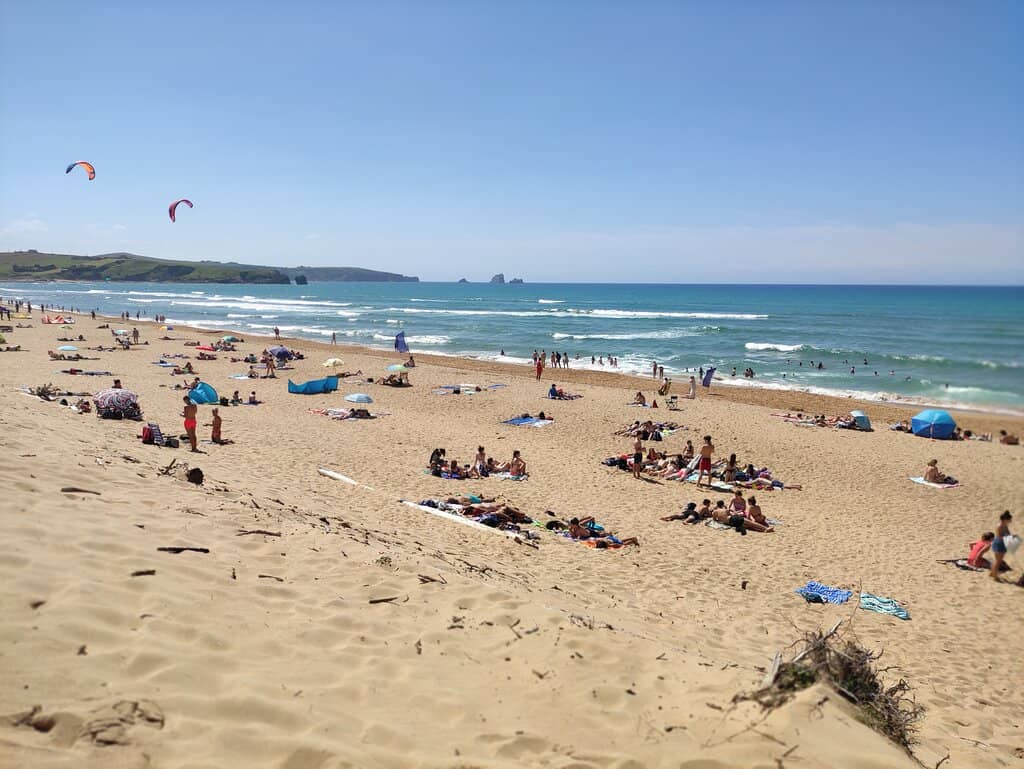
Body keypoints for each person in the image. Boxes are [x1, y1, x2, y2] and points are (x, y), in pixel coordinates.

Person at [990, 511, 1013, 581]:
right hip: (999, 544)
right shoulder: (999, 526)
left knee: (998, 561)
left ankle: (992, 573)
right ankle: (995, 576)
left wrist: (1010, 538)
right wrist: (1008, 538)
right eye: (1009, 520)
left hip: (1003, 543)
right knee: (998, 561)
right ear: (1005, 519)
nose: (1010, 521)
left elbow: (1008, 533)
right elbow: (999, 536)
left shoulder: (1005, 525)